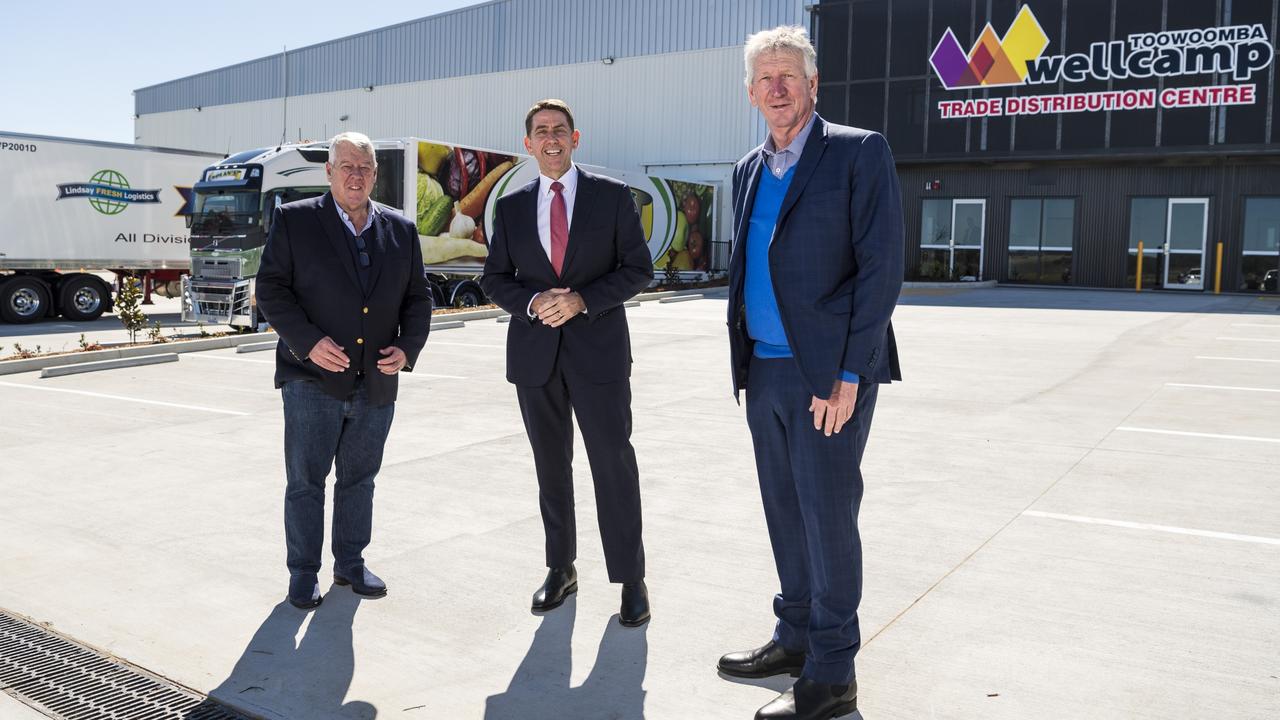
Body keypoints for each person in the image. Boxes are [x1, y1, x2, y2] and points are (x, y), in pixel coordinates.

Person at [717, 27, 904, 720]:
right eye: (764, 77)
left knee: (827, 517)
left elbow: (882, 270)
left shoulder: (858, 152)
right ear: (750, 92)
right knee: (784, 512)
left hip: (829, 376)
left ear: (813, 84)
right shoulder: (746, 169)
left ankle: (832, 673)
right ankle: (794, 636)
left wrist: (850, 373)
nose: (776, 87)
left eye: (788, 74)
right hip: (762, 372)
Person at [481, 99, 654, 627]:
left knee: (612, 466)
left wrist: (581, 299)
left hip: (598, 356)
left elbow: (638, 270)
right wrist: (533, 303)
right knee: (550, 469)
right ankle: (561, 568)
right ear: (528, 144)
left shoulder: (611, 197)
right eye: (540, 132)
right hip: (536, 359)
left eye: (560, 130)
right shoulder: (511, 208)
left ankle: (631, 580)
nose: (551, 139)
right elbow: (495, 278)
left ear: (576, 139)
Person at [256, 131, 434, 610]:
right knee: (306, 481)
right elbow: (271, 290)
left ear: (375, 175)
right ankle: (302, 573)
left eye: (365, 167)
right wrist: (309, 344)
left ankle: (350, 564)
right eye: (347, 166)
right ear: (329, 172)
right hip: (312, 380)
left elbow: (418, 298)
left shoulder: (400, 229)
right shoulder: (296, 221)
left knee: (360, 479)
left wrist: (408, 348)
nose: (356, 175)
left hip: (376, 380)